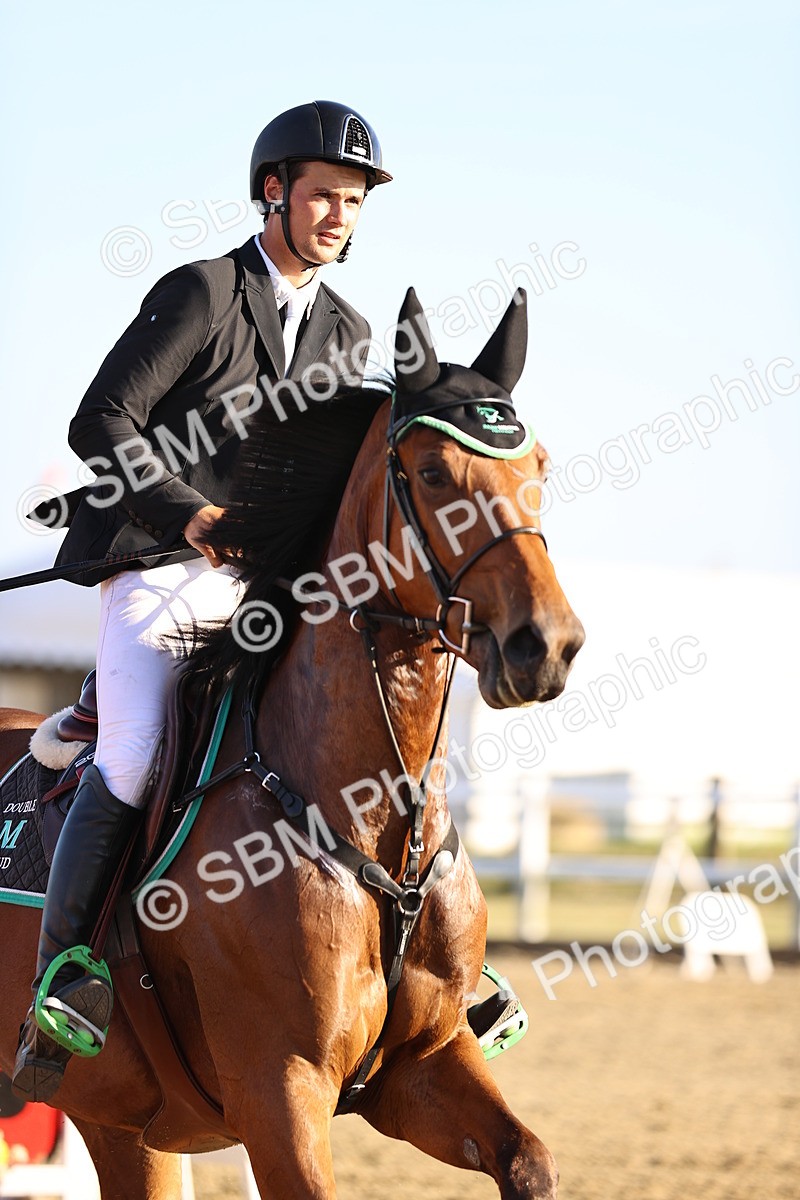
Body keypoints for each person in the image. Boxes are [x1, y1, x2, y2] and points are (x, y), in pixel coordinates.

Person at [12, 100, 392, 1103]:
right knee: (136, 750)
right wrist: (190, 514)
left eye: (351, 202)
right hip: (155, 565)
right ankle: (65, 970)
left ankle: (419, 957)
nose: (337, 216)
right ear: (273, 191)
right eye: (322, 196)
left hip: (258, 587)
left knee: (358, 716)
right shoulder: (202, 291)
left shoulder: (346, 331)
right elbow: (103, 419)